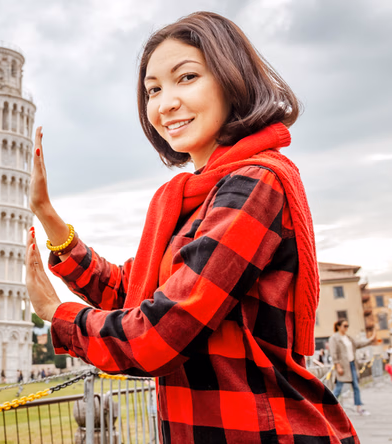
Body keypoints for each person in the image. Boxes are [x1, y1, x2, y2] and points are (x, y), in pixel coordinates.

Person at [24, 11, 359, 443]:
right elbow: (135, 294)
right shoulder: (193, 196)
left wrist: (57, 314)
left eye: (186, 78)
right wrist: (50, 217)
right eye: (153, 90)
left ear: (231, 78)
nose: (165, 103)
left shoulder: (255, 184)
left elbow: (162, 331)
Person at [328, 320, 375, 415]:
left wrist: (371, 339)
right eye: (345, 326)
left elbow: (358, 344)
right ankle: (328, 408)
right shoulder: (334, 338)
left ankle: (359, 408)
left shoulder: (348, 338)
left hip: (352, 365)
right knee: (338, 388)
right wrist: (338, 366)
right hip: (343, 366)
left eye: (347, 326)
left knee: (356, 387)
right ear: (338, 326)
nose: (346, 328)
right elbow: (334, 353)